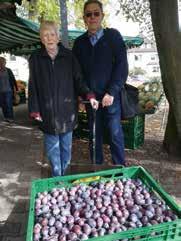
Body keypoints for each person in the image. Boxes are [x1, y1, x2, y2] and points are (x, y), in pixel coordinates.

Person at [28, 21, 98, 177]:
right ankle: (56, 178)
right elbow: (32, 85)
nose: (49, 38)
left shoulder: (69, 56)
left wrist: (89, 95)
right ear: (41, 38)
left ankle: (64, 176)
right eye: (45, 35)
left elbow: (79, 80)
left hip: (67, 113)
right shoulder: (35, 58)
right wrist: (34, 109)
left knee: (66, 148)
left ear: (58, 37)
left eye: (52, 34)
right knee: (53, 150)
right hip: (47, 114)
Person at [73, 0, 128, 165]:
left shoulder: (113, 37)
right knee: (94, 135)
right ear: (84, 18)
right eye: (88, 14)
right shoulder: (79, 43)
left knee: (114, 133)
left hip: (111, 97)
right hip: (91, 100)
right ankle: (97, 169)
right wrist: (81, 96)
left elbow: (121, 67)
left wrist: (111, 92)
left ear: (102, 16)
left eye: (96, 13)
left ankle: (120, 169)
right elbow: (77, 74)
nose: (92, 17)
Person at [0, 56, 18, 123]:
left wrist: (16, 88)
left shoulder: (8, 70)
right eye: (0, 62)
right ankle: (6, 117)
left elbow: (13, 79)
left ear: (5, 63)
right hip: (0, 91)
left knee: (8, 104)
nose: (2, 63)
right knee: (3, 104)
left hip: (8, 90)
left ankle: (10, 117)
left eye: (3, 62)